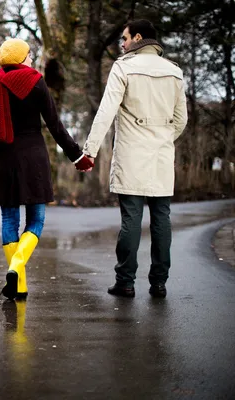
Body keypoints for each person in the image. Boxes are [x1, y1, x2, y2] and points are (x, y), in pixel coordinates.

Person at [0, 38, 94, 300]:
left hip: (5, 158)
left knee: (9, 220)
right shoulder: (36, 81)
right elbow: (55, 125)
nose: (31, 59)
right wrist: (77, 156)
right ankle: (17, 265)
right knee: (36, 220)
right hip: (34, 158)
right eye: (29, 55)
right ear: (20, 58)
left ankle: (19, 286)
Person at [82, 19, 188, 298]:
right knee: (161, 218)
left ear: (138, 37)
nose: (122, 44)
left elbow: (106, 111)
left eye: (125, 39)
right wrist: (162, 139)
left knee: (131, 218)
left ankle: (126, 281)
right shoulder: (174, 72)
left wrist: (89, 150)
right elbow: (181, 120)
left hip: (131, 154)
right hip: (161, 156)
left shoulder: (124, 67)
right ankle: (159, 283)